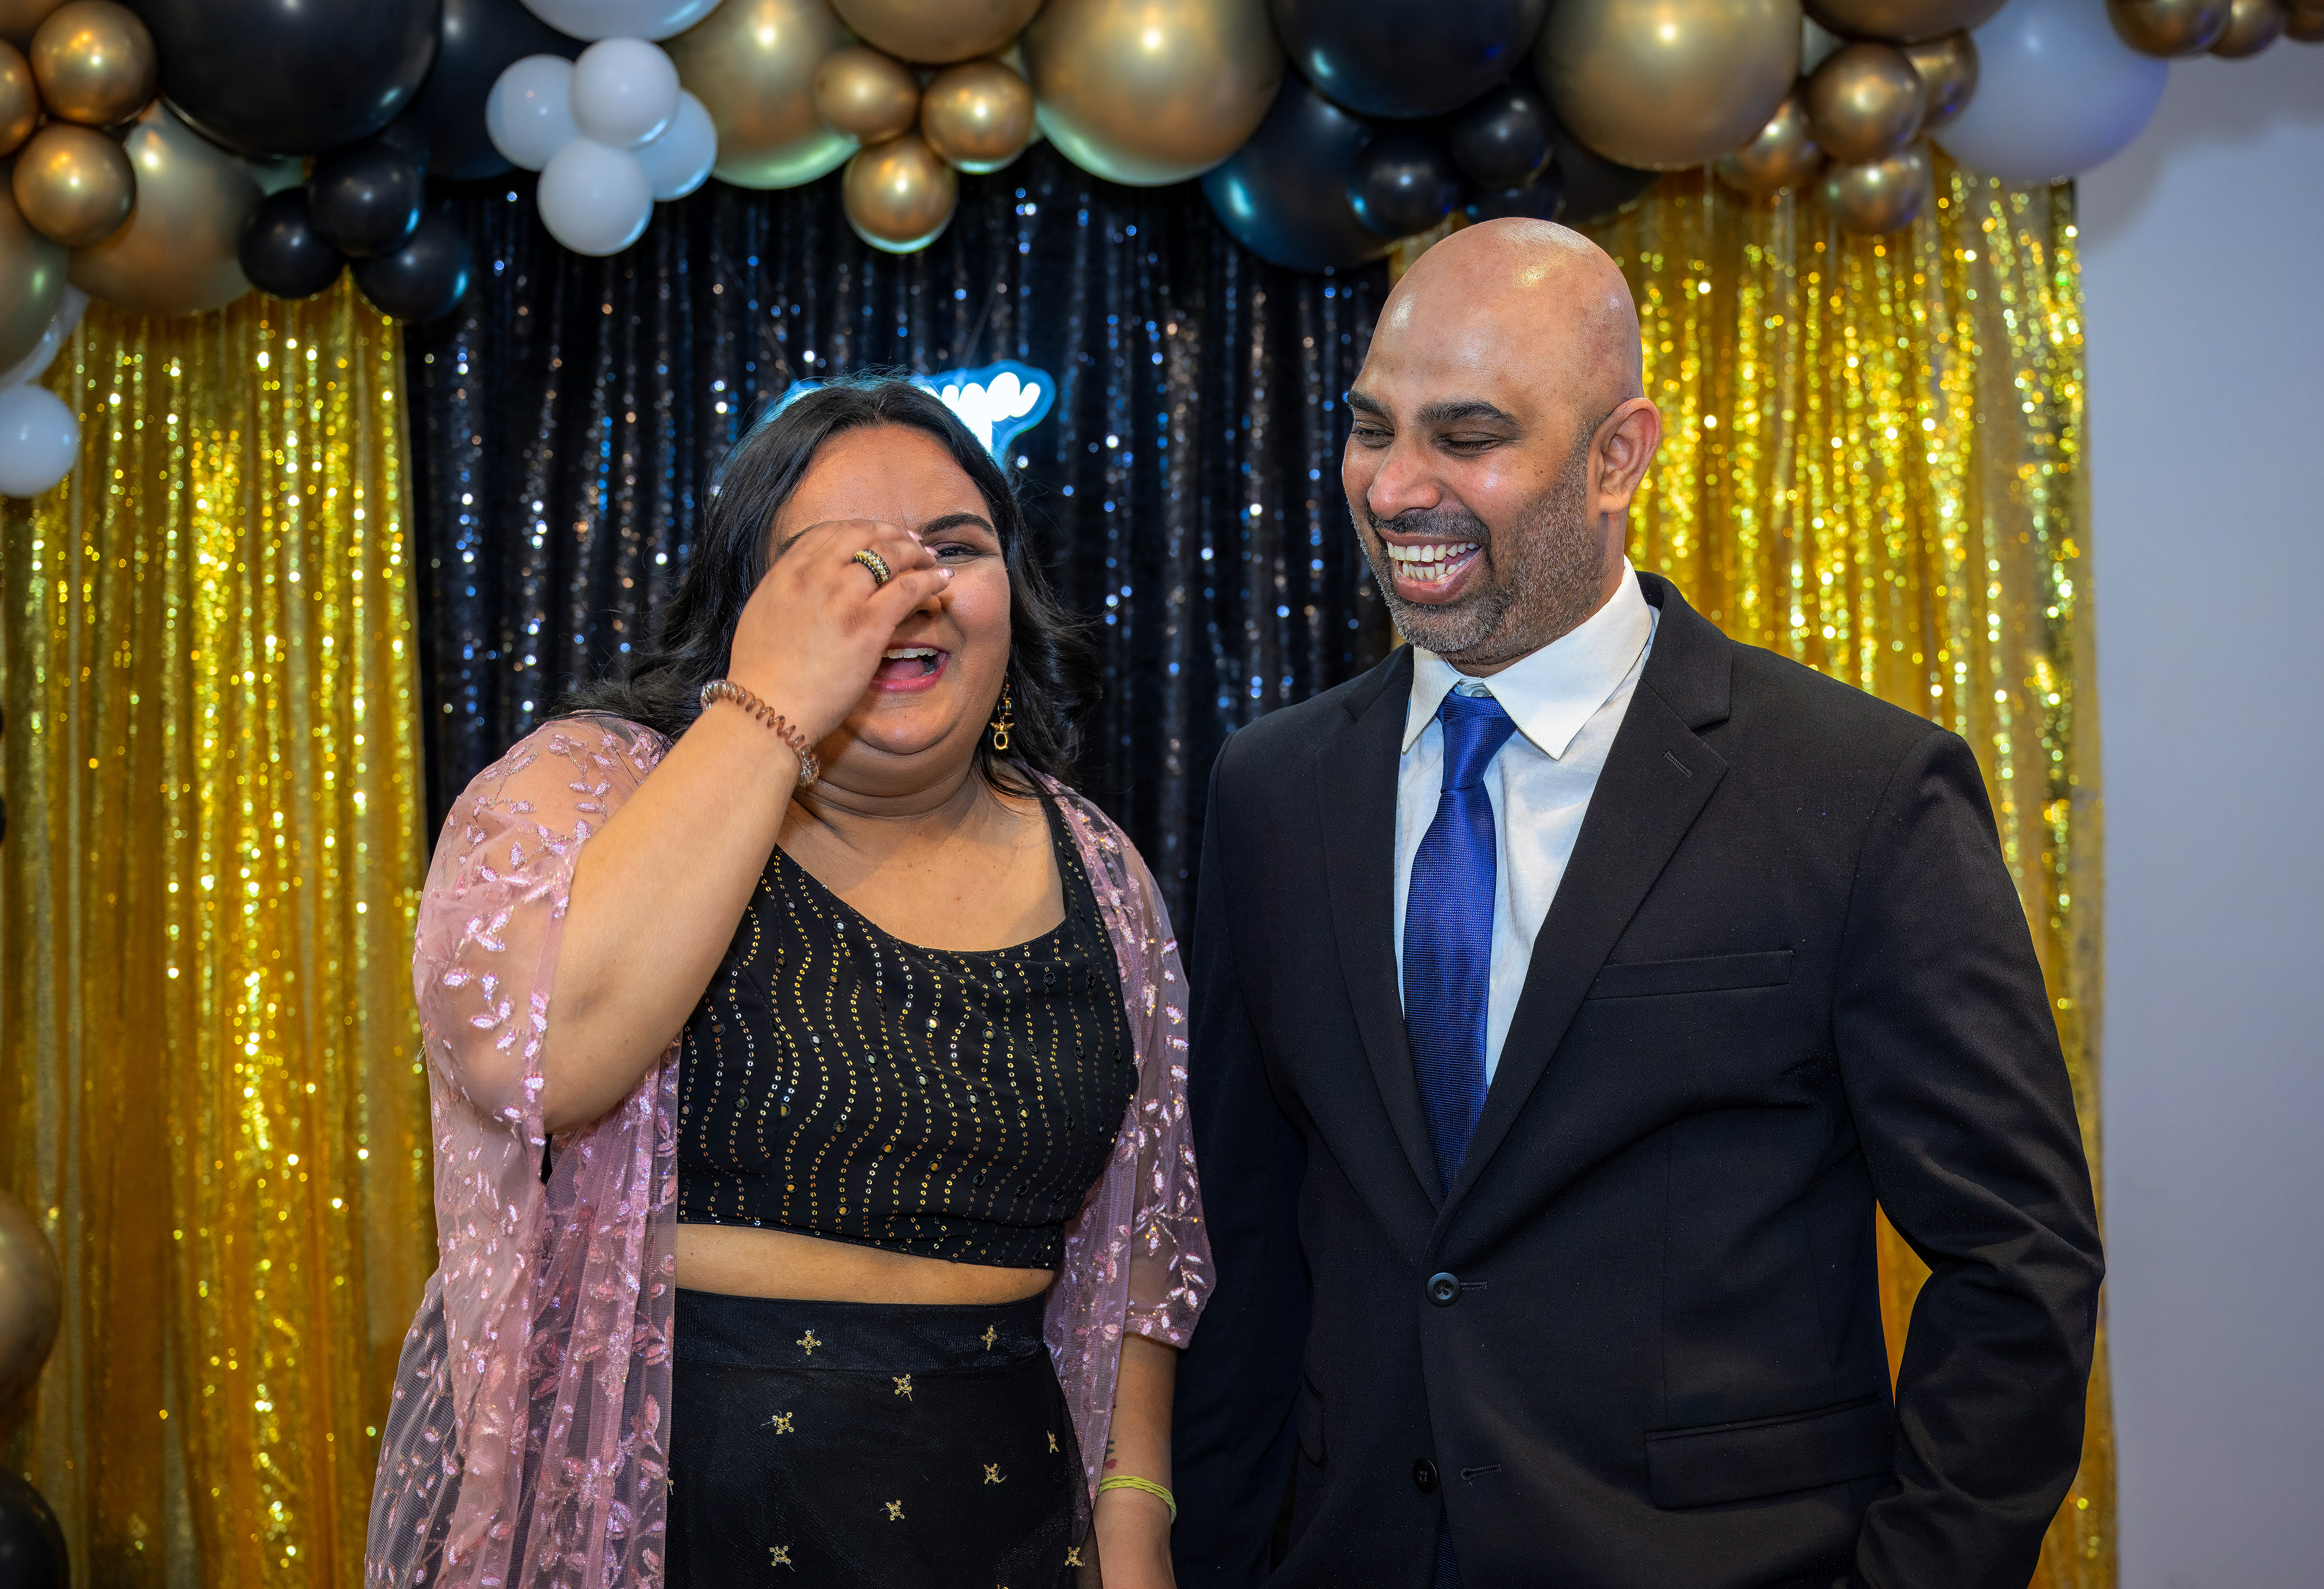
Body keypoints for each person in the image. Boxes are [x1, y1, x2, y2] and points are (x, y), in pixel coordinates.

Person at [1170, 218, 2102, 1589]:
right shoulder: (1272, 789)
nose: (1395, 486)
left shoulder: (1859, 788)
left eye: (1468, 435)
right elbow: (1241, 1249)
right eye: (1373, 428)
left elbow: (2017, 1265)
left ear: (1618, 457)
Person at [364, 379, 1210, 1589]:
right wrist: (771, 710)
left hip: (1002, 1529)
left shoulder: (1101, 868)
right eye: (840, 561)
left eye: (954, 549)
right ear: (745, 602)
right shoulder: (587, 790)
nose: (906, 590)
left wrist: (1136, 1527)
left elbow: (1143, 1253)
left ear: (1012, 594)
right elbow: (536, 1064)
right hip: (672, 1532)